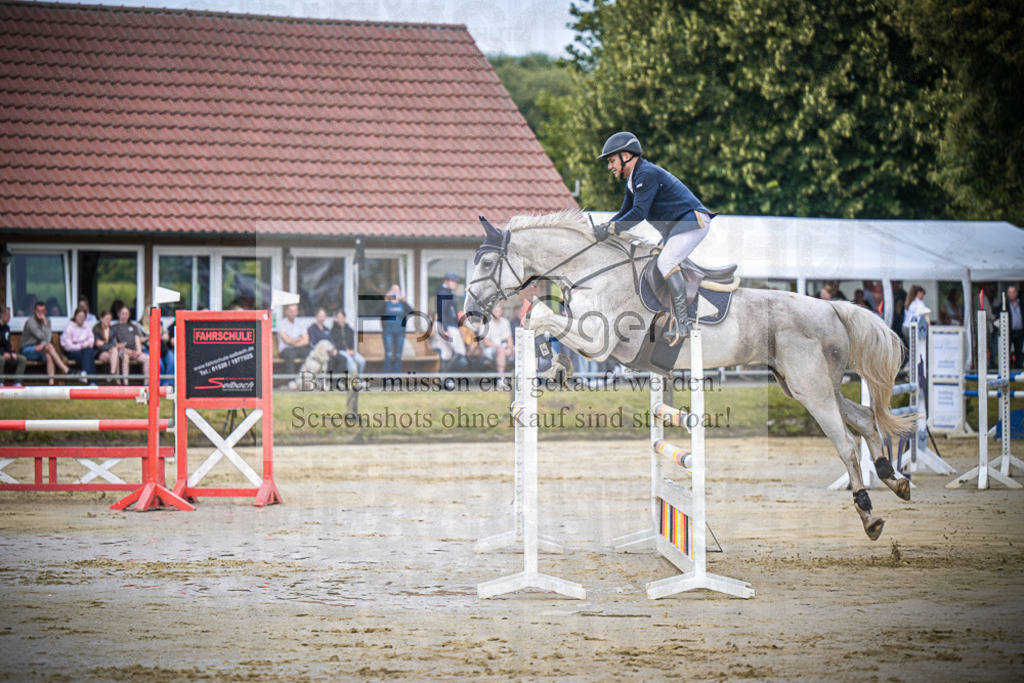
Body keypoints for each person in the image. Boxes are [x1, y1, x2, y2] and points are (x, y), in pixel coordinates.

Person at [593, 132, 714, 343]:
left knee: (666, 262)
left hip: (693, 221)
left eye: (612, 161)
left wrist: (612, 229)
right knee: (653, 262)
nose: (610, 166)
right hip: (680, 225)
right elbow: (624, 214)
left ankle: (683, 324)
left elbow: (638, 213)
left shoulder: (645, 174)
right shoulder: (634, 180)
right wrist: (606, 227)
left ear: (626, 156)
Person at [21, 300, 70, 384]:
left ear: (46, 311)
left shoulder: (48, 320)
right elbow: (43, 336)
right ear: (34, 311)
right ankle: (65, 369)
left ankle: (51, 383)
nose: (40, 313)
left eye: (42, 311)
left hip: (41, 349)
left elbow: (48, 337)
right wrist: (44, 323)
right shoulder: (30, 322)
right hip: (28, 349)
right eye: (38, 311)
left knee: (49, 356)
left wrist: (42, 345)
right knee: (49, 346)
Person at [435, 271, 467, 370]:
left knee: (446, 353)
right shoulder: (444, 293)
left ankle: (444, 379)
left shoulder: (446, 292)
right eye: (453, 281)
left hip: (446, 324)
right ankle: (445, 376)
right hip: (447, 325)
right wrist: (445, 328)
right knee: (461, 351)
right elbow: (441, 312)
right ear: (446, 281)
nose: (455, 283)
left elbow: (449, 311)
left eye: (455, 281)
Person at [379, 284, 413, 374]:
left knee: (398, 355)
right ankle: (386, 377)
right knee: (389, 355)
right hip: (388, 331)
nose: (395, 292)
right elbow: (376, 311)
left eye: (397, 290)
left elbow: (411, 312)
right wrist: (385, 300)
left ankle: (396, 377)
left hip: (400, 332)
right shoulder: (387, 303)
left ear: (400, 292)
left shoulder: (402, 304)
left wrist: (404, 301)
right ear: (390, 291)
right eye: (393, 290)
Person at [112, 304, 149, 385]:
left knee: (147, 358)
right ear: (118, 314)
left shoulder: (134, 326)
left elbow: (137, 339)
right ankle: (126, 383)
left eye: (126, 314)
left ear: (129, 315)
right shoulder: (115, 327)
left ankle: (146, 383)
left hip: (134, 350)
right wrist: (125, 350)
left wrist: (138, 351)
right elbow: (114, 342)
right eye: (123, 313)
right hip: (122, 351)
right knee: (125, 356)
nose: (124, 316)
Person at [60, 307, 97, 381]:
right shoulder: (69, 328)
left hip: (84, 350)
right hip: (72, 352)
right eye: (80, 316)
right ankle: (92, 382)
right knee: (89, 357)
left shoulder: (87, 326)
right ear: (75, 316)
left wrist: (83, 345)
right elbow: (68, 346)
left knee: (89, 353)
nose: (81, 319)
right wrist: (81, 346)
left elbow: (91, 340)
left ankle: (83, 373)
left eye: (83, 317)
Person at [276, 303, 309, 378]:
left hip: (298, 348)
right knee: (290, 355)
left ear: (297, 312)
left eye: (295, 311)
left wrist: (292, 341)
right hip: (285, 349)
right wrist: (300, 338)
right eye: (291, 311)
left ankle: (307, 378)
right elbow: (287, 341)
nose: (293, 313)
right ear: (286, 311)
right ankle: (291, 380)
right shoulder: (281, 323)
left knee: (311, 353)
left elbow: (306, 341)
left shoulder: (300, 323)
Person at [329, 309, 365, 375]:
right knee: (352, 365)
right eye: (338, 318)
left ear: (345, 318)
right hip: (341, 351)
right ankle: (354, 380)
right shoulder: (334, 330)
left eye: (342, 317)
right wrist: (346, 350)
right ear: (336, 319)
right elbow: (335, 343)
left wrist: (352, 350)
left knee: (362, 361)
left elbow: (353, 342)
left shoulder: (349, 330)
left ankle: (359, 378)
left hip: (350, 351)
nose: (340, 319)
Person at [481, 304, 514, 375]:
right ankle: (501, 377)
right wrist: (499, 347)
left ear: (501, 312)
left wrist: (509, 349)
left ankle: (520, 377)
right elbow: (486, 342)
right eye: (495, 311)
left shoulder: (505, 322)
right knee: (501, 350)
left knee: (517, 350)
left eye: (498, 311)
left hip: (504, 347)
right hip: (490, 349)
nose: (496, 313)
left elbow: (509, 339)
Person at [0, 305, 27, 386]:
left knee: (22, 359)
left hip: (5, 353)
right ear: (2, 315)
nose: (10, 317)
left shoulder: (6, 327)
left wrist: (11, 352)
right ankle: (1, 382)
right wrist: (3, 353)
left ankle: (17, 382)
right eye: (8, 315)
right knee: (1, 359)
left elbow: (7, 342)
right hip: (1, 354)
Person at [92, 310, 120, 379]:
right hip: (99, 353)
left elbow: (114, 343)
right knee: (115, 355)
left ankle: (112, 374)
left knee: (115, 352)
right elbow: (98, 346)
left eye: (110, 320)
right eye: (107, 319)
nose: (108, 321)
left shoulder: (112, 329)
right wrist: (109, 347)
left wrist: (105, 344)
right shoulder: (96, 329)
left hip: (111, 352)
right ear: (101, 319)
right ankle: (117, 379)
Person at [1007, 285, 1023, 369]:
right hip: (1010, 331)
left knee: (1019, 351)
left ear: (1016, 293)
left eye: (1013, 292)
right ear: (1007, 294)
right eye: (1010, 292)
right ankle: (1008, 367)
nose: (1012, 294)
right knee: (1007, 350)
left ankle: (1019, 368)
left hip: (1020, 331)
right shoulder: (1005, 304)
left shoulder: (1021, 303)